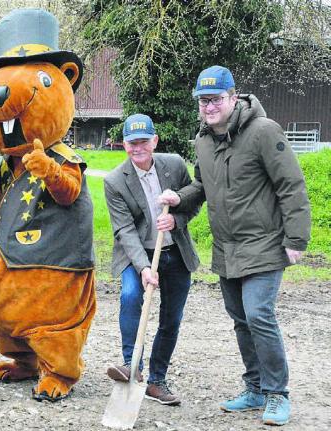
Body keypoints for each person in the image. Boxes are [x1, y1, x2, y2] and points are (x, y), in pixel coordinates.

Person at [159, 65, 311, 425]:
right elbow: (202, 186)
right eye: (202, 101)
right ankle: (255, 388)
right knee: (241, 319)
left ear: (232, 96)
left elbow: (291, 185)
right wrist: (179, 198)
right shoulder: (204, 141)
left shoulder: (264, 132)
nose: (208, 107)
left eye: (214, 99)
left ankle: (277, 393)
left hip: (265, 244)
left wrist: (296, 238)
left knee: (259, 313)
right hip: (227, 249)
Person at [103, 114, 201, 405]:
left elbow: (194, 201)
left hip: (175, 252)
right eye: (132, 143)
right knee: (132, 295)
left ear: (154, 141)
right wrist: (144, 267)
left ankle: (157, 380)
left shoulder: (173, 165)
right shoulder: (114, 181)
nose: (138, 148)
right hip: (137, 254)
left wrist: (177, 219)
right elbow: (124, 229)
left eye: (143, 141)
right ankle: (132, 366)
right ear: (124, 145)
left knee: (172, 317)